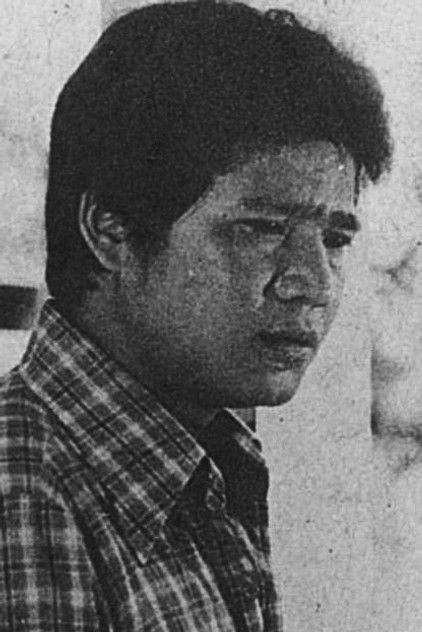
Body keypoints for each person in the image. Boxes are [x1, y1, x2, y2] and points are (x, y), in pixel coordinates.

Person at [0, 2, 391, 630]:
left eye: (335, 239)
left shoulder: (201, 461)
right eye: (261, 228)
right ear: (111, 230)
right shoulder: (24, 500)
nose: (314, 284)